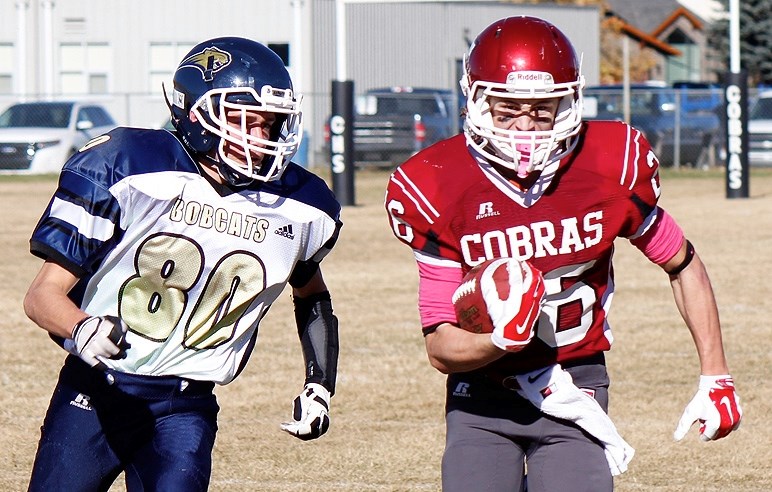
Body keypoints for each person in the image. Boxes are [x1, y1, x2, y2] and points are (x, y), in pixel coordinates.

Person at [384, 16, 742, 492]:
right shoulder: (434, 184)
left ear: (570, 102)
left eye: (542, 109)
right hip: (482, 396)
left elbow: (682, 262)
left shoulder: (611, 164)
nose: (525, 127)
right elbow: (440, 347)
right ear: (477, 100)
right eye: (508, 108)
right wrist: (500, 341)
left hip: (576, 380)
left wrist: (715, 375)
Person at [23, 36, 341, 491]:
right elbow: (41, 296)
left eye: (269, 124)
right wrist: (82, 327)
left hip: (186, 404)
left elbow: (313, 296)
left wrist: (319, 385)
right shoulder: (131, 165)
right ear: (194, 115)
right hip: (98, 390)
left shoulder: (301, 206)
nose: (259, 137)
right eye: (243, 120)